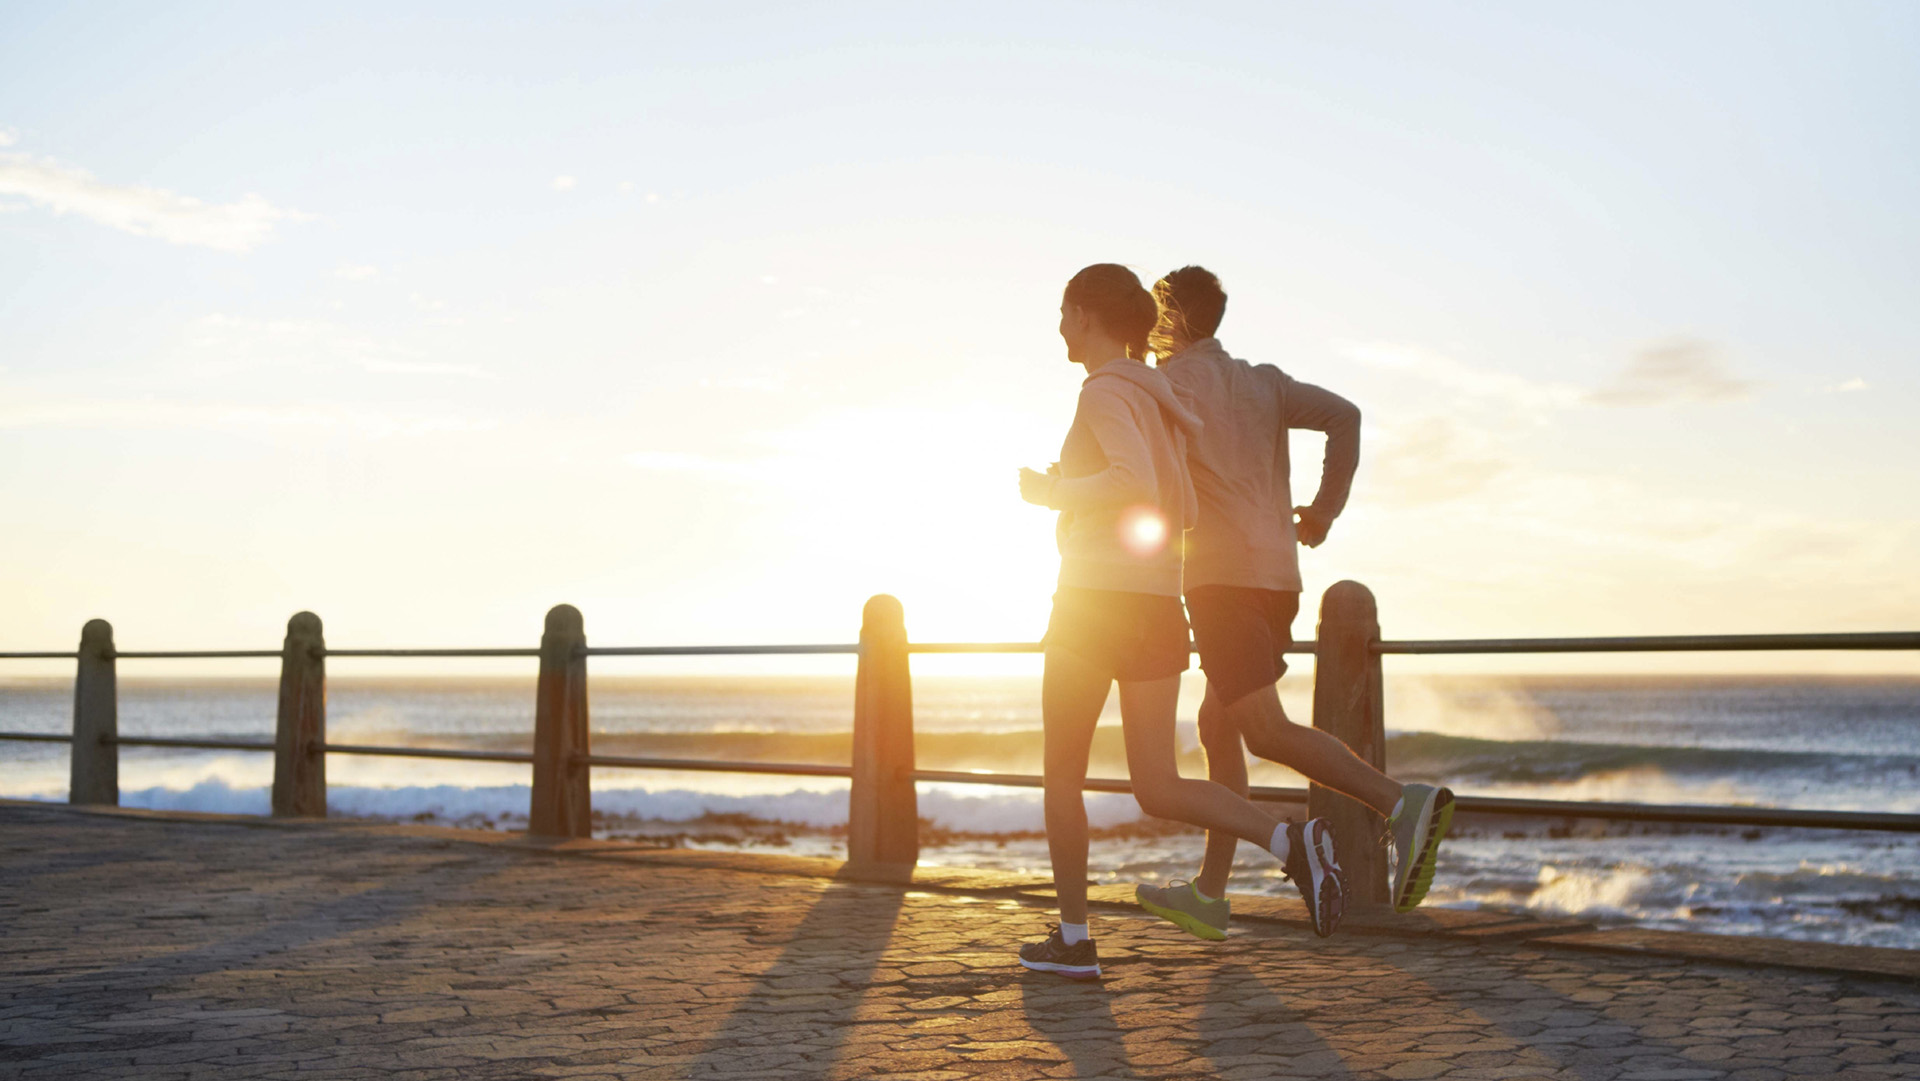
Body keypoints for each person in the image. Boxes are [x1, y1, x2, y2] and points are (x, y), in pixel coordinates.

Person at [1014, 264, 1347, 982]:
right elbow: (1184, 511)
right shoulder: (1165, 399)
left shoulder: (1104, 390)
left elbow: (1130, 483)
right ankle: (1289, 841)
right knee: (1158, 783)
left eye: (1065, 312)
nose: (1060, 327)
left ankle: (1074, 940)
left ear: (1088, 316)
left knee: (1062, 774)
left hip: (1092, 603)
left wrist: (1053, 493)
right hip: (1159, 605)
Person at [1133, 265, 1454, 943]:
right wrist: (1324, 512)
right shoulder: (1265, 381)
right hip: (1279, 577)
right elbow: (1347, 416)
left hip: (1219, 585)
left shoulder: (1169, 386)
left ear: (1177, 320)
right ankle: (1209, 896)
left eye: (1157, 317)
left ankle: (1402, 803)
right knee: (1220, 727)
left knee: (1264, 730)